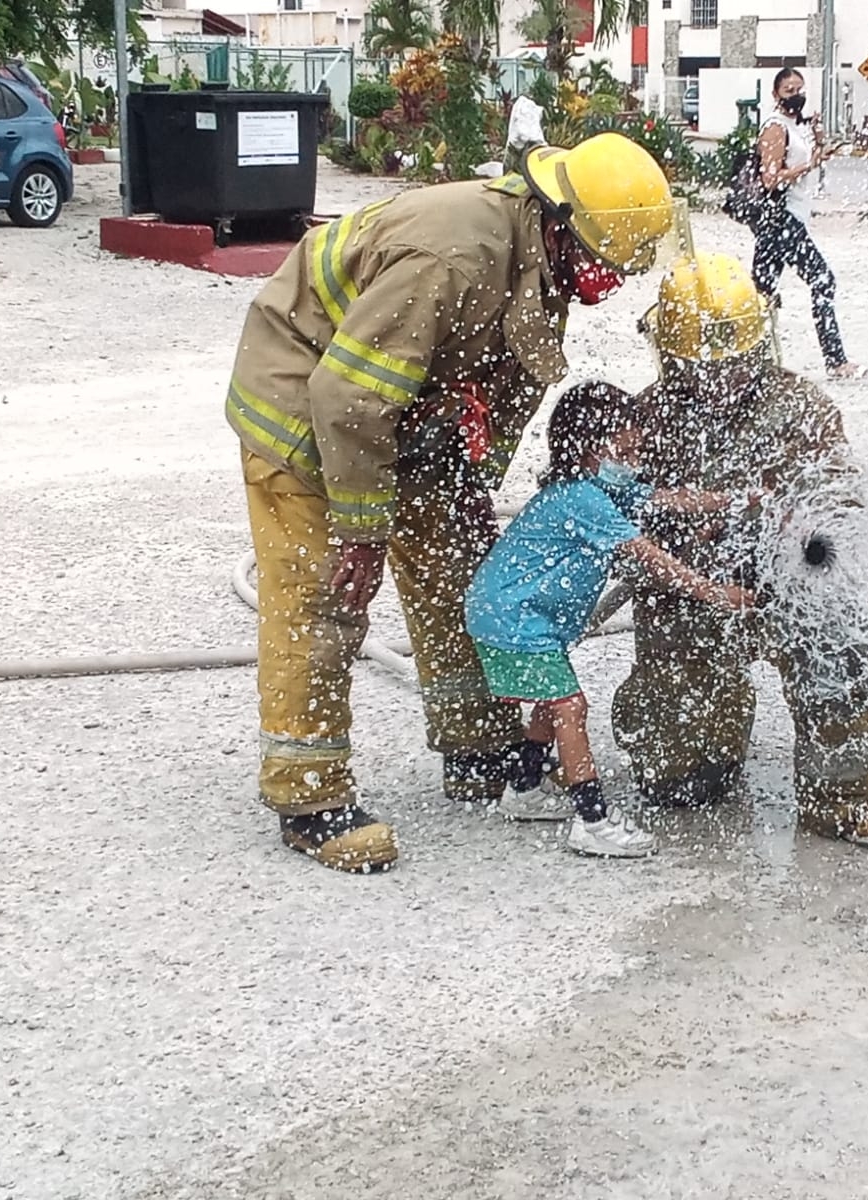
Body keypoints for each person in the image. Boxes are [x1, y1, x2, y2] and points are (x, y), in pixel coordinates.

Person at [229, 132, 674, 873]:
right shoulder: (452, 257)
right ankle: (309, 796)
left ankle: (477, 750)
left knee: (457, 571)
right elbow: (349, 395)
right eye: (606, 264)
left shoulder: (540, 256)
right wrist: (361, 532)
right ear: (562, 222)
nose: (611, 284)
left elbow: (509, 380)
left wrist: (474, 482)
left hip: (405, 416)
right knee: (324, 598)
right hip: (308, 410)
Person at [611, 252, 868, 847]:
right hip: (689, 598)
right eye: (700, 369)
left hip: (789, 592)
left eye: (736, 364)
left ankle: (839, 797)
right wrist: (671, 537)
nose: (720, 381)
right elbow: (602, 517)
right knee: (680, 785)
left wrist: (799, 523)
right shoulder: (644, 416)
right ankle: (703, 749)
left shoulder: (802, 407)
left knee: (842, 624)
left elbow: (841, 499)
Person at [464, 382, 754, 858]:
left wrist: (732, 500)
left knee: (548, 702)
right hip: (514, 620)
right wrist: (712, 592)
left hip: (520, 616)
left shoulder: (598, 489)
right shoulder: (583, 500)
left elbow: (666, 499)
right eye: (626, 445)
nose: (636, 452)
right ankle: (592, 819)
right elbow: (647, 555)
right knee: (569, 707)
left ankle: (525, 785)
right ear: (591, 449)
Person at [752, 67, 867, 381]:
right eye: (789, 90)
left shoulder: (794, 124)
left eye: (800, 89)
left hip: (785, 219)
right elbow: (771, 179)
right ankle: (836, 361)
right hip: (781, 219)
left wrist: (816, 137)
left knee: (761, 294)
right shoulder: (775, 127)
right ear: (776, 95)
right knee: (822, 280)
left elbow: (810, 160)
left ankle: (750, 365)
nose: (796, 96)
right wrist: (808, 165)